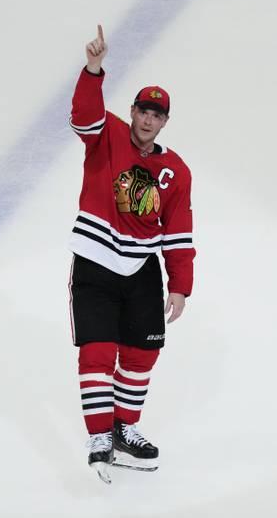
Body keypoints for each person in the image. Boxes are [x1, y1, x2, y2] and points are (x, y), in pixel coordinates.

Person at [67, 25, 195, 483]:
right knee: (98, 350)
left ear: (164, 122)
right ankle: (100, 435)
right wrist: (94, 69)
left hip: (142, 268)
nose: (147, 119)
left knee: (142, 354)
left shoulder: (175, 170)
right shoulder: (109, 136)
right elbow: (83, 117)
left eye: (156, 115)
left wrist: (180, 285)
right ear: (133, 112)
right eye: (143, 110)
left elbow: (178, 231)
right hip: (96, 262)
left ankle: (125, 426)